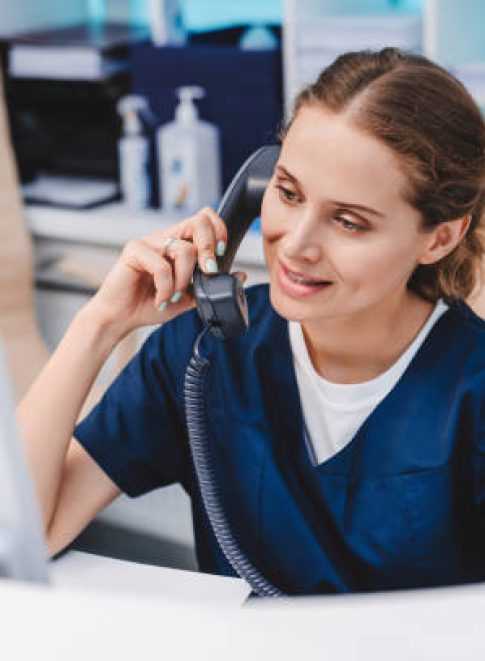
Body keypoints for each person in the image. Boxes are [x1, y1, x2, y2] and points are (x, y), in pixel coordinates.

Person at [17, 47, 485, 595]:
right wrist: (99, 322)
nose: (297, 244)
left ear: (441, 237)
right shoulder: (204, 349)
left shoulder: (471, 387)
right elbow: (23, 534)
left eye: (350, 222)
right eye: (287, 193)